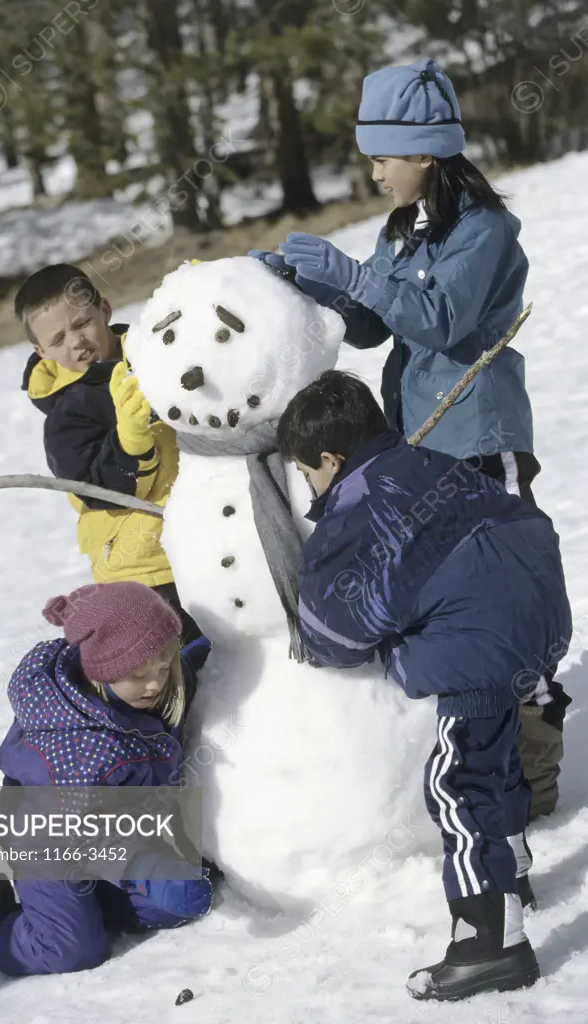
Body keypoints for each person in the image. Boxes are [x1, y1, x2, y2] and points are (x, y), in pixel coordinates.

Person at [250, 57, 570, 820]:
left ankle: (533, 761)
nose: (373, 171)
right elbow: (373, 319)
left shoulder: (484, 231)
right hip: (419, 435)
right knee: (444, 598)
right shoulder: (405, 229)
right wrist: (312, 282)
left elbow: (442, 320)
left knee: (495, 595)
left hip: (476, 430)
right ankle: (468, 745)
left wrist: (355, 279)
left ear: (425, 152)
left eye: (382, 156)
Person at [277, 370, 572, 1002]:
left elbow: (331, 630)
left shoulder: (362, 507)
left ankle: (489, 944)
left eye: (308, 475)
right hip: (534, 627)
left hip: (475, 651)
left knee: (458, 788)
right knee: (495, 763)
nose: (311, 489)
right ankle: (513, 876)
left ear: (329, 459)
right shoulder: (434, 463)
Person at [0, 582, 218, 975]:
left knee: (163, 907)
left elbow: (183, 666)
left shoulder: (146, 692)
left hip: (119, 830)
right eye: (139, 674)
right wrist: (144, 868)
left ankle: (89, 906)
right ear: (100, 674)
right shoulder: (79, 749)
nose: (155, 683)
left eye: (163, 665)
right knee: (71, 951)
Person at [16, 262, 199, 645]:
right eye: (58, 339)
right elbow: (101, 488)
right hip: (148, 569)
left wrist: (199, 291)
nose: (76, 342)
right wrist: (131, 439)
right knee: (183, 665)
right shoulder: (66, 416)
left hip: (213, 532)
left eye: (82, 323)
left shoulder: (157, 352)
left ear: (105, 309)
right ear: (40, 350)